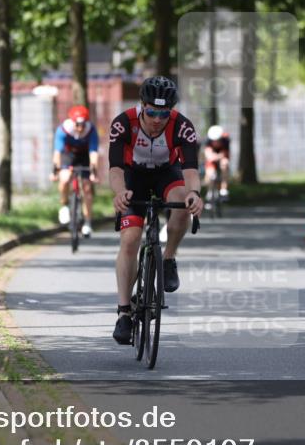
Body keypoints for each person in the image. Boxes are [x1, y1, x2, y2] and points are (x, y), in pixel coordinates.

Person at [109, 76, 204, 345]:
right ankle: (125, 312)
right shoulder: (123, 123)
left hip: (166, 173)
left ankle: (168, 258)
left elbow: (190, 171)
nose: (157, 119)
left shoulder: (182, 126)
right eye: (151, 112)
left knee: (182, 202)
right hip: (133, 178)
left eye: (164, 113)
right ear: (142, 106)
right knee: (130, 240)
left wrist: (195, 194)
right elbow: (115, 169)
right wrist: (119, 193)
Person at [53, 105, 99, 237]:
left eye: (83, 124)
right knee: (65, 179)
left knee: (87, 188)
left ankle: (88, 222)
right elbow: (57, 152)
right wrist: (55, 170)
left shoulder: (91, 131)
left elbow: (93, 152)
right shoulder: (63, 130)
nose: (80, 128)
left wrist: (93, 171)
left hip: (84, 157)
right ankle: (64, 206)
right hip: (68, 155)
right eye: (77, 124)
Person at [203, 125, 231, 198]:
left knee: (225, 164)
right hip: (213, 157)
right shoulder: (207, 141)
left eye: (218, 140)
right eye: (214, 140)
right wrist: (215, 156)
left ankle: (223, 189)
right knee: (210, 173)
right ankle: (209, 192)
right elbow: (209, 156)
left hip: (221, 155)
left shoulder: (226, 140)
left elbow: (224, 154)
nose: (216, 142)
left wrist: (216, 156)